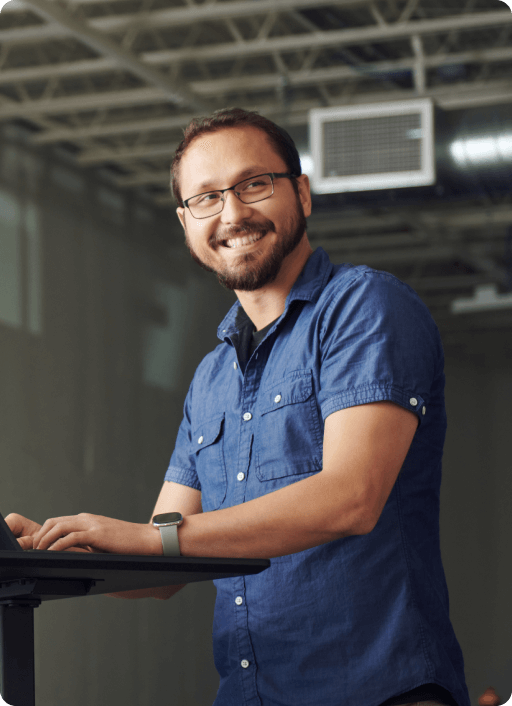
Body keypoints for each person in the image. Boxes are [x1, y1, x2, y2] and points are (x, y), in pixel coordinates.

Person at [7, 108, 471, 706]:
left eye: (254, 184)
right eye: (205, 198)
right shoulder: (210, 378)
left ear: (300, 192)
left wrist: (151, 540)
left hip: (380, 692)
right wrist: (49, 555)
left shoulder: (365, 307)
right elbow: (166, 567)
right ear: (185, 222)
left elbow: (352, 497)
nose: (232, 213)